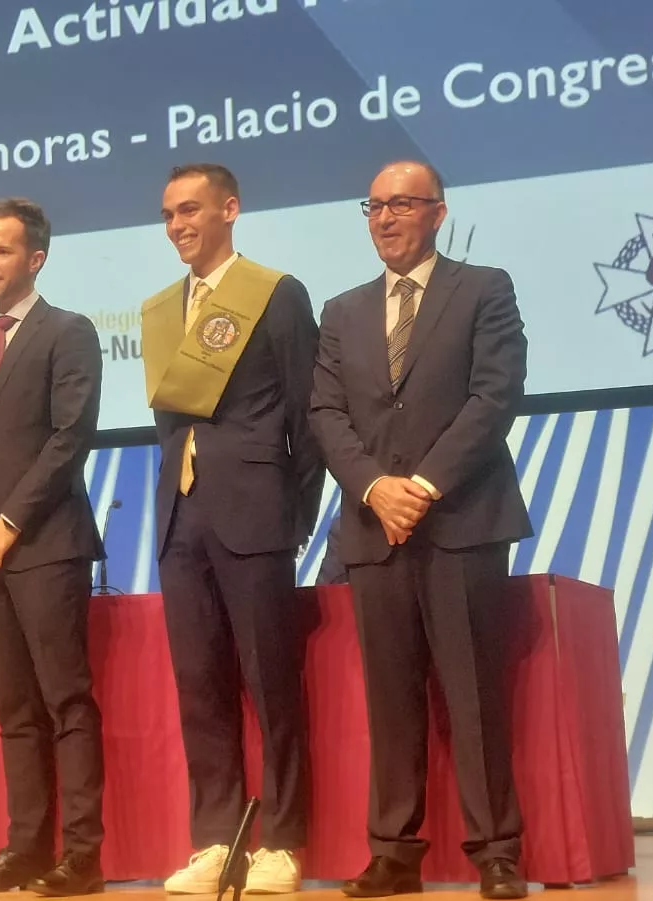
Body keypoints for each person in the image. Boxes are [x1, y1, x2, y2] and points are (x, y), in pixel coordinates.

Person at [308, 160, 532, 900]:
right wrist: (376, 487)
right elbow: (325, 414)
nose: (385, 217)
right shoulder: (341, 311)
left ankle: (495, 851)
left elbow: (494, 396)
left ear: (438, 212)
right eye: (374, 205)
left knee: (473, 695)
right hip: (374, 528)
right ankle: (394, 854)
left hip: (461, 521)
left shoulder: (484, 289)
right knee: (391, 699)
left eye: (402, 204)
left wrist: (425, 486)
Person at [139, 164, 323, 895]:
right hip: (180, 515)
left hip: (256, 512)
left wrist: (295, 514)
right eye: (168, 214)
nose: (177, 225)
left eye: (190, 210)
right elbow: (170, 423)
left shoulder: (275, 293)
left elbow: (309, 414)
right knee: (200, 686)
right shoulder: (161, 308)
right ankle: (215, 840)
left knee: (271, 684)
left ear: (230, 209)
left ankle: (282, 840)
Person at [0, 198, 107, 896]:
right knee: (15, 709)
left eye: (1, 251)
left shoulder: (69, 331)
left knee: (66, 701)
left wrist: (8, 521)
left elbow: (70, 437)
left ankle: (82, 856)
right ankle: (25, 849)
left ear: (36, 258)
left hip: (46, 545)